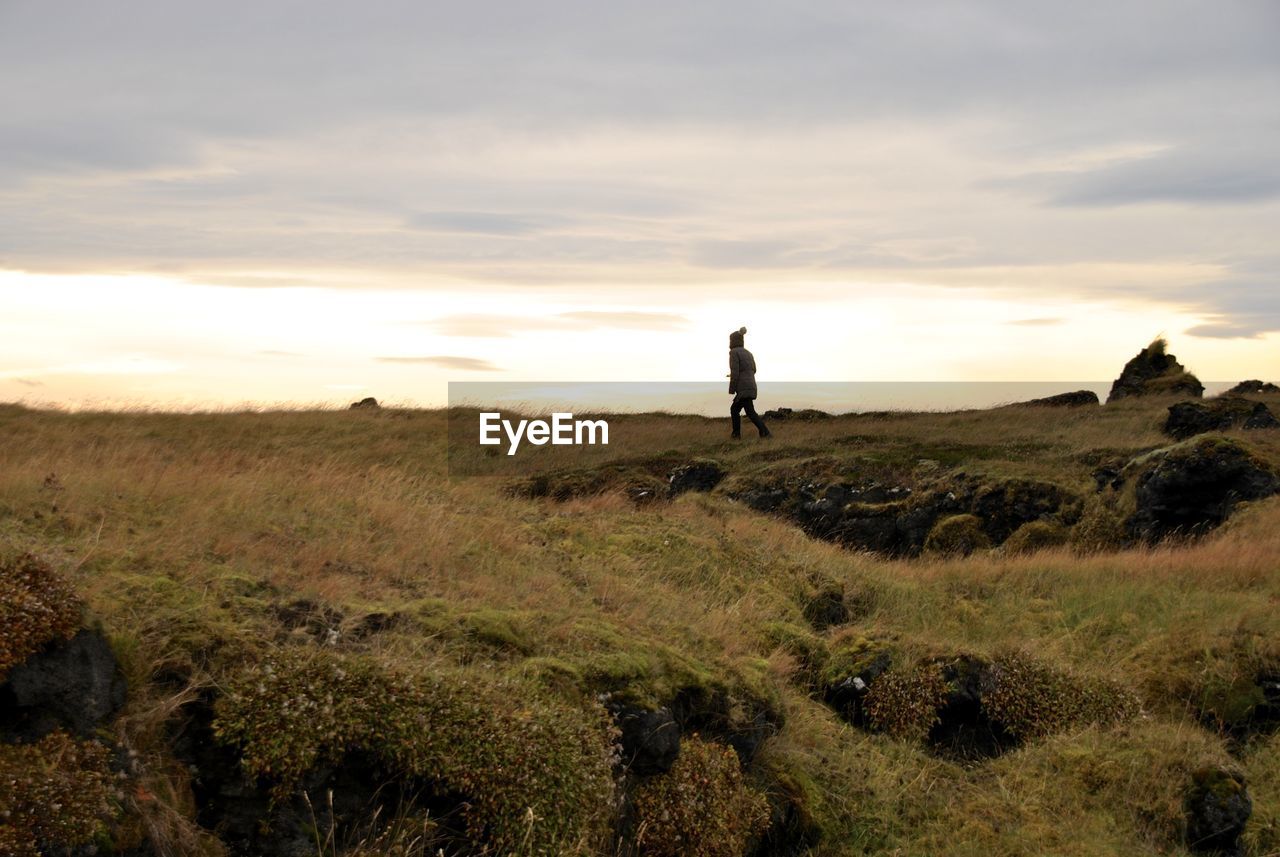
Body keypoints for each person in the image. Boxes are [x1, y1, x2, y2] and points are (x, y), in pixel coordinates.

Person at [728, 326, 771, 439]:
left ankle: (737, 435)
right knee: (749, 411)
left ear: (732, 341)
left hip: (743, 388)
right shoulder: (749, 353)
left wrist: (732, 389)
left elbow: (735, 372)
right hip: (751, 386)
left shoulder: (733, 353)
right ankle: (764, 433)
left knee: (735, 410)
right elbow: (754, 370)